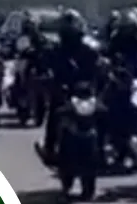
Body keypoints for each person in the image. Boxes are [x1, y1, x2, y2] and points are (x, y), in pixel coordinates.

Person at [39, 9, 101, 166]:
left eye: (72, 27)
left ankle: (105, 146)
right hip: (63, 92)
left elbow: (99, 67)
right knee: (54, 113)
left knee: (103, 112)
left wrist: (104, 74)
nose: (70, 31)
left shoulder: (89, 50)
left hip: (85, 93)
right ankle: (50, 148)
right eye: (67, 28)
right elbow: (44, 65)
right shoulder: (55, 50)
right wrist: (46, 76)